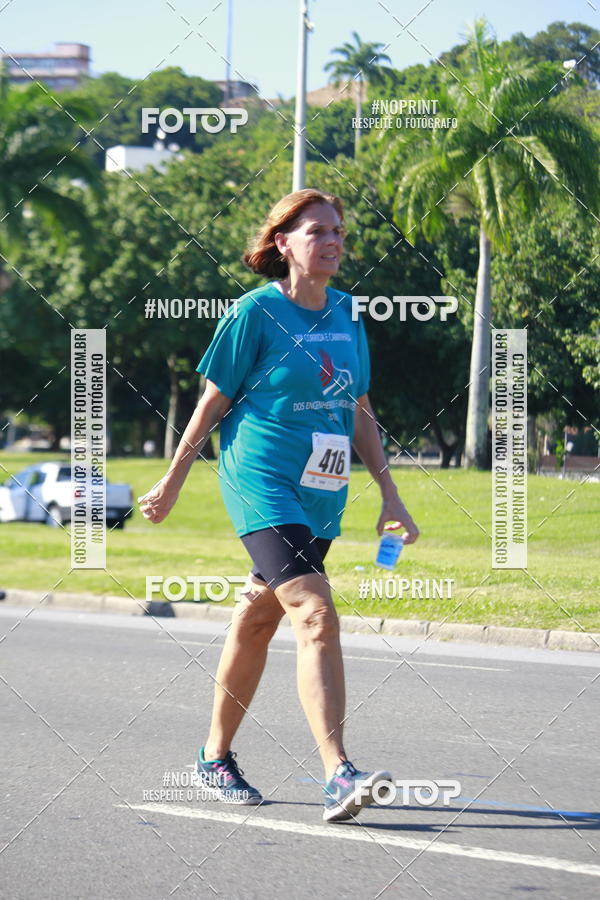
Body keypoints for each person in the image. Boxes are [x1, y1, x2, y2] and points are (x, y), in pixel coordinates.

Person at [138, 188, 419, 823]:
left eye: (338, 231)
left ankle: (213, 757)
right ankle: (338, 773)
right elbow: (211, 402)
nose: (333, 241)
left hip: (321, 488)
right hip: (259, 479)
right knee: (314, 612)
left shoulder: (348, 314)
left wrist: (390, 493)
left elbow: (359, 410)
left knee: (259, 617)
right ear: (282, 243)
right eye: (317, 231)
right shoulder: (254, 314)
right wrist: (174, 478)